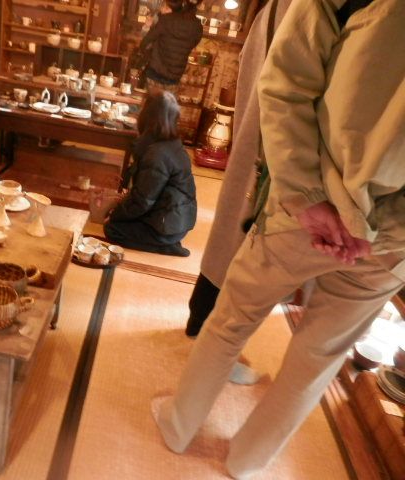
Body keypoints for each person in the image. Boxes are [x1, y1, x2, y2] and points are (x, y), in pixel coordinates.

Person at [151, 0, 405, 478]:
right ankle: (248, 461)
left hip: (312, 209)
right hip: (393, 246)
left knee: (231, 320)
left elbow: (285, 83)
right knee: (319, 357)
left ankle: (178, 425)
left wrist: (307, 197)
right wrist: (382, 231)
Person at [186, 0, 293, 338]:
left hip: (256, 139)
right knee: (246, 247)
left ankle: (202, 322)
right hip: (273, 147)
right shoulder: (300, 10)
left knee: (229, 235)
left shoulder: (271, 10)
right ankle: (213, 334)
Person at [104, 91, 196, 257]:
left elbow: (142, 201)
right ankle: (165, 241)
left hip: (165, 226)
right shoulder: (173, 144)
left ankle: (166, 246)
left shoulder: (156, 155)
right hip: (176, 221)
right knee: (120, 215)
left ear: (148, 117)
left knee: (112, 229)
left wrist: (115, 215)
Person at [136, 0, 203, 93]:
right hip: (175, 76)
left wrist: (150, 54)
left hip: (156, 72)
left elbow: (145, 43)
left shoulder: (166, 19)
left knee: (151, 101)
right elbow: (193, 44)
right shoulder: (197, 26)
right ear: (199, 5)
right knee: (167, 102)